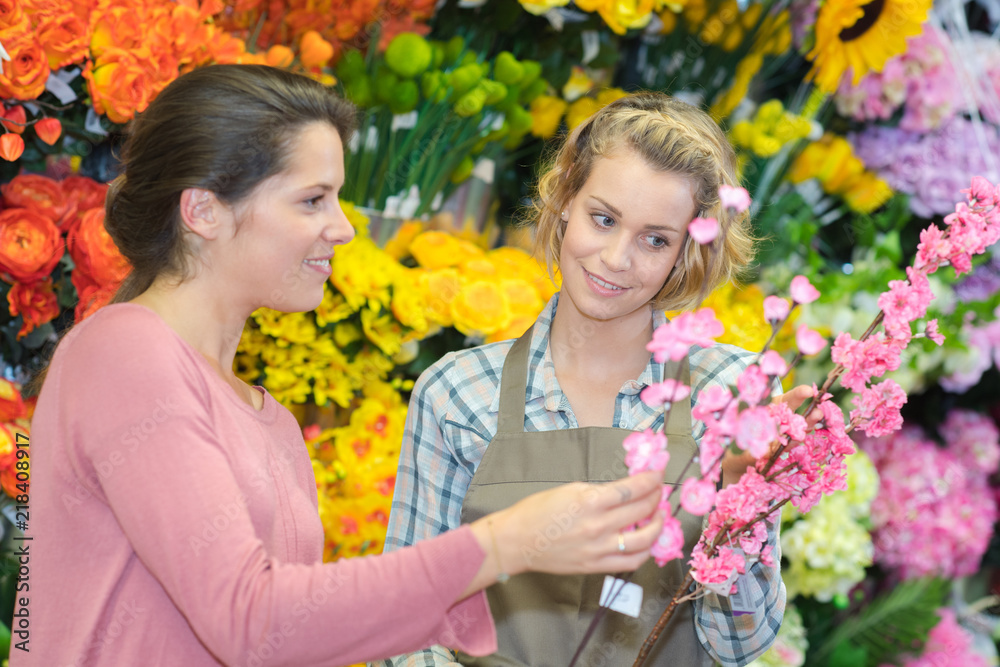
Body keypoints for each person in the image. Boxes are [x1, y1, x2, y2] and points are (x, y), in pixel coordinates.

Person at [16, 65, 670, 667]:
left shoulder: (268, 419)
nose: (343, 227)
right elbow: (250, 619)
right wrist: (500, 544)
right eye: (312, 200)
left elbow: (298, 630)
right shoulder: (124, 354)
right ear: (204, 210)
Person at [375, 92, 793, 667]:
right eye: (604, 219)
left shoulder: (731, 394)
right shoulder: (458, 393)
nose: (617, 258)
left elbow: (740, 642)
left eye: (655, 239)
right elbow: (408, 623)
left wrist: (744, 500)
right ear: (565, 199)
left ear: (685, 254)